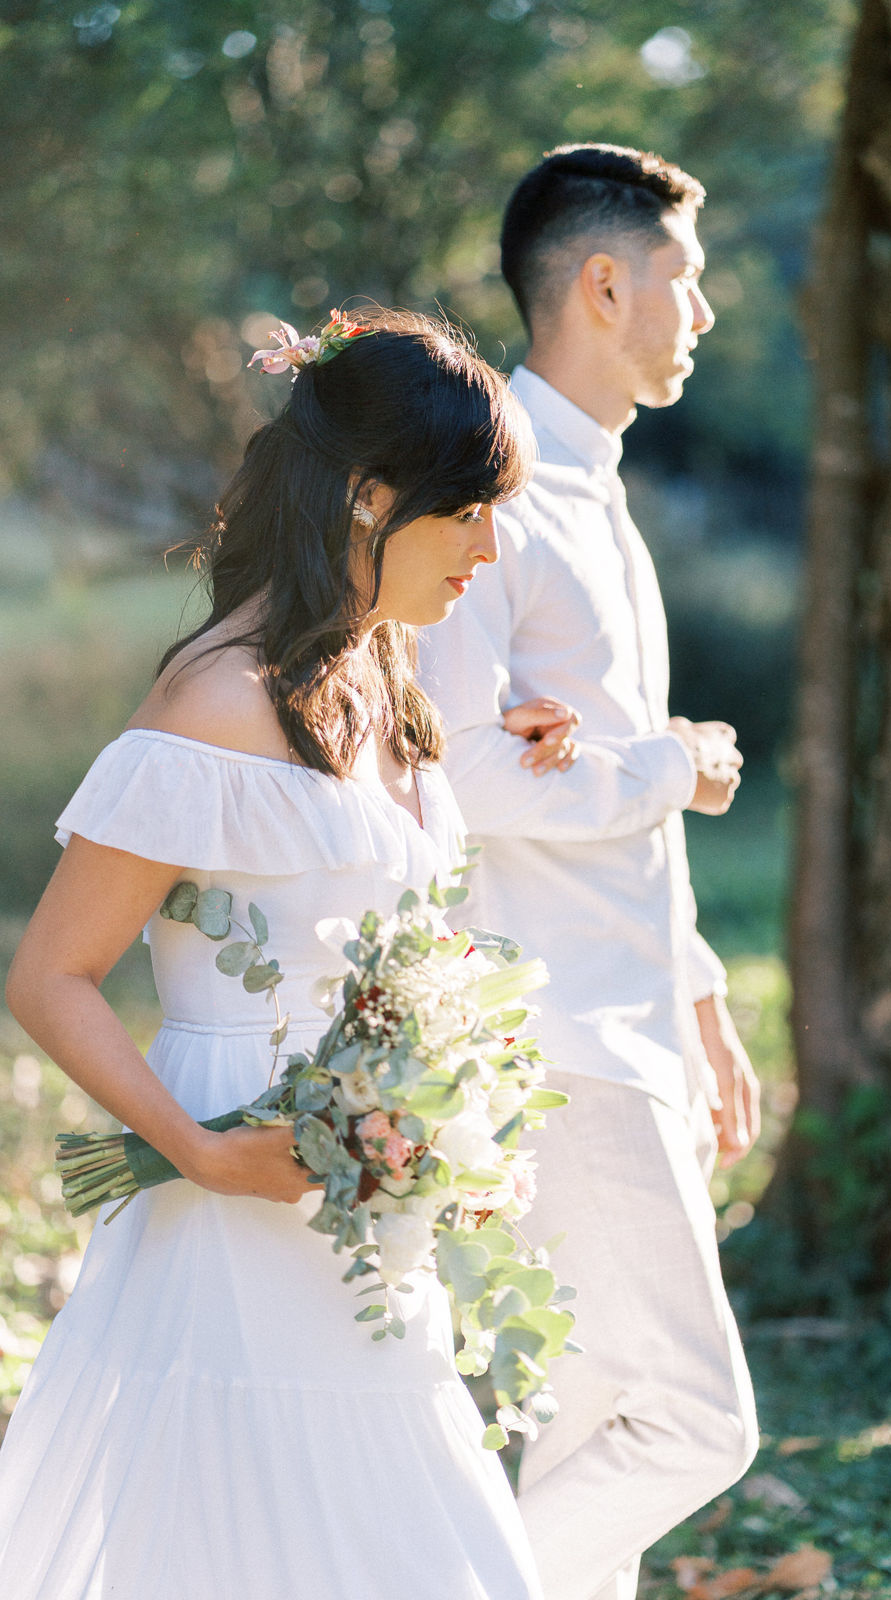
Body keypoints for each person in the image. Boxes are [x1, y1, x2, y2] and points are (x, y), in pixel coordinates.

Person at [0, 308, 578, 1600]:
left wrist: (447, 1108)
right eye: (469, 512)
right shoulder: (214, 704)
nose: (492, 548)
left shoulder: (389, 672)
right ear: (372, 498)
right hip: (236, 1203)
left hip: (368, 1222)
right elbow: (48, 974)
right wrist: (200, 1150)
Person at [418, 145, 761, 1600]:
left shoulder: (600, 491)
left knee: (588, 1431)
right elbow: (464, 776)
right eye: (686, 280)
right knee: (690, 1421)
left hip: (631, 1015)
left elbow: (598, 785)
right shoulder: (492, 496)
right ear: (606, 282)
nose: (704, 311)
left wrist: (698, 997)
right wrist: (667, 769)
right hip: (552, 1029)